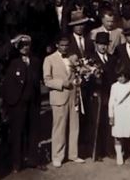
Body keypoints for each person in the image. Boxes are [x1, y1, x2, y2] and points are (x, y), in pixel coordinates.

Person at [1, 34, 44, 173]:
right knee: (17, 133)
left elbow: (39, 80)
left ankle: (33, 160)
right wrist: (13, 40)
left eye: (27, 45)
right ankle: (17, 163)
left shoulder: (36, 61)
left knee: (33, 132)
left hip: (33, 102)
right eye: (22, 45)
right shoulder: (11, 61)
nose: (25, 48)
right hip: (17, 102)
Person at [44, 35, 84, 167]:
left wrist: (78, 80)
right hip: (59, 97)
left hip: (74, 96)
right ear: (57, 45)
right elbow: (47, 80)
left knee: (75, 126)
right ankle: (57, 156)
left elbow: (78, 73)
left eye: (66, 45)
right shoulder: (49, 59)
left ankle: (73, 154)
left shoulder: (74, 57)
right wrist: (62, 83)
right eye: (62, 45)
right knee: (59, 128)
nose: (64, 47)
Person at [89, 32, 116, 162]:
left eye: (105, 44)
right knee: (97, 123)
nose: (103, 47)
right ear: (96, 44)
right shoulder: (91, 59)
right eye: (100, 44)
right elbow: (88, 80)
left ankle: (109, 149)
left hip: (110, 95)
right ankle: (97, 151)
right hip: (98, 95)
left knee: (109, 123)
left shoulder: (112, 58)